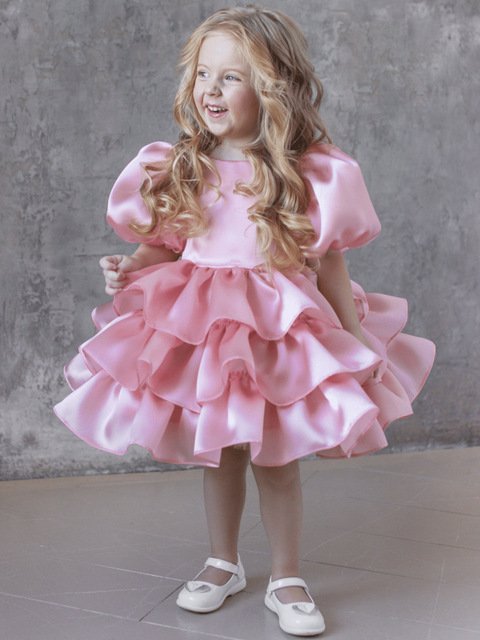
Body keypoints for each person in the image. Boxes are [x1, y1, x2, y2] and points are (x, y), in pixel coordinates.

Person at [54, 6, 435, 637]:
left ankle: (286, 576)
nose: (210, 89)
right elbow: (165, 244)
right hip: (205, 334)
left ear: (271, 86)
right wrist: (130, 266)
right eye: (204, 74)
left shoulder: (304, 171)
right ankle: (222, 562)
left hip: (273, 335)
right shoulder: (182, 164)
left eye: (231, 77)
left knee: (275, 458)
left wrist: (355, 338)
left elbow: (329, 263)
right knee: (220, 455)